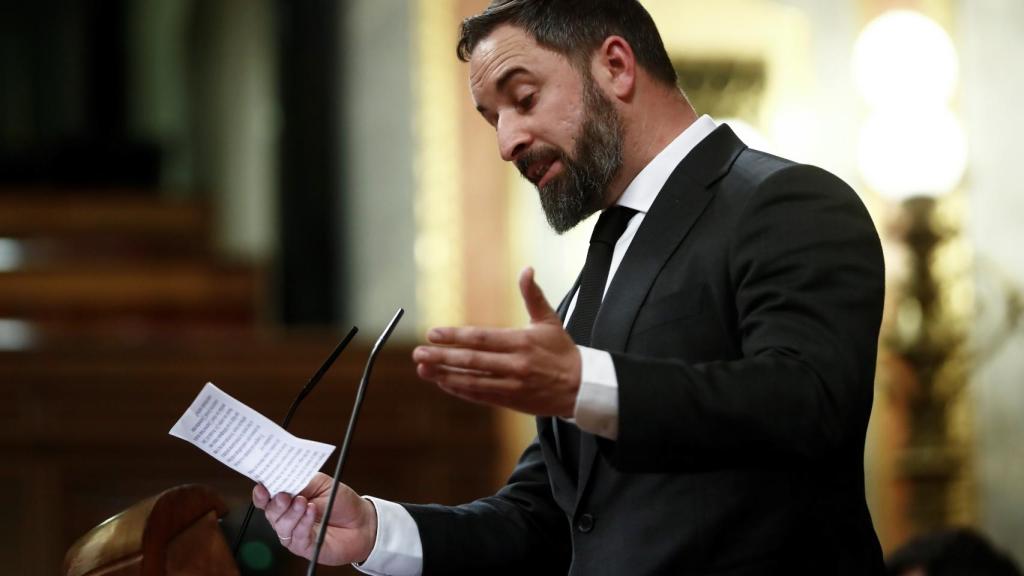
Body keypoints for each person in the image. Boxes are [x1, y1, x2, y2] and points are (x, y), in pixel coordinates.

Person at [254, 1, 887, 574]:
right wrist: (374, 530)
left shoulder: (785, 202)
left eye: (522, 98)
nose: (506, 142)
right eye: (491, 118)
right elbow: (549, 518)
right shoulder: (593, 278)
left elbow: (810, 401)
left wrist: (586, 384)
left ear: (615, 65)